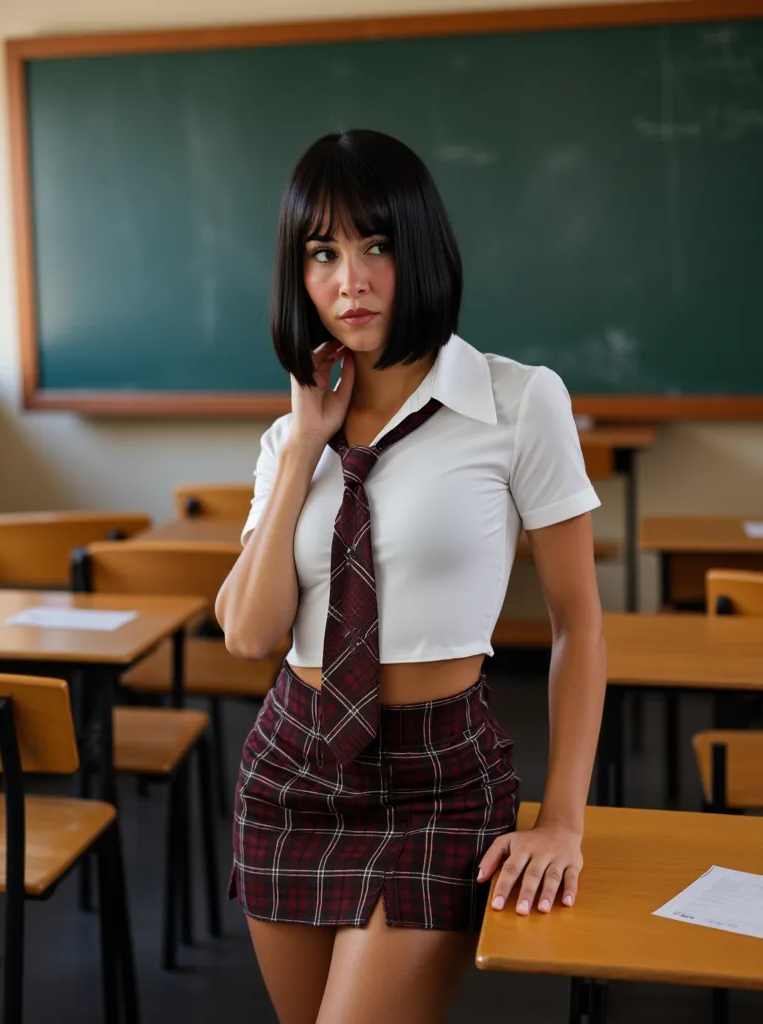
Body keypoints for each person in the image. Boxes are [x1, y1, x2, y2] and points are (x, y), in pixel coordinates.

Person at [215, 129, 606, 1024]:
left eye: (376, 246)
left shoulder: (518, 401)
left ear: (420, 249)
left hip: (438, 777)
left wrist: (564, 820)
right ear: (298, 274)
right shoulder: (289, 439)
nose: (350, 281)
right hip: (291, 772)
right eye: (323, 253)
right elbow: (246, 635)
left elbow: (581, 626)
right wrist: (307, 445)